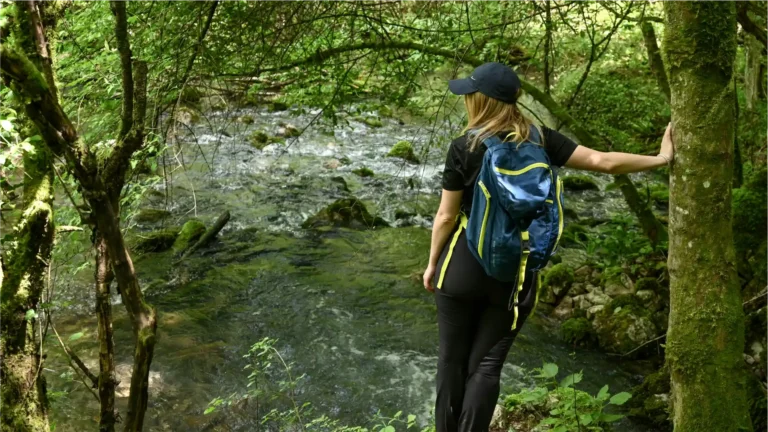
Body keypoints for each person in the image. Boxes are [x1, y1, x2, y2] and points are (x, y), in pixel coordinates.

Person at [422, 62, 674, 432]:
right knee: (487, 367)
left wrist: (431, 264)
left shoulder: (465, 146)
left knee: (450, 362)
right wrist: (662, 159)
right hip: (514, 274)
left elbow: (445, 217)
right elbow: (602, 162)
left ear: (481, 102)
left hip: (462, 267)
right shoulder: (543, 140)